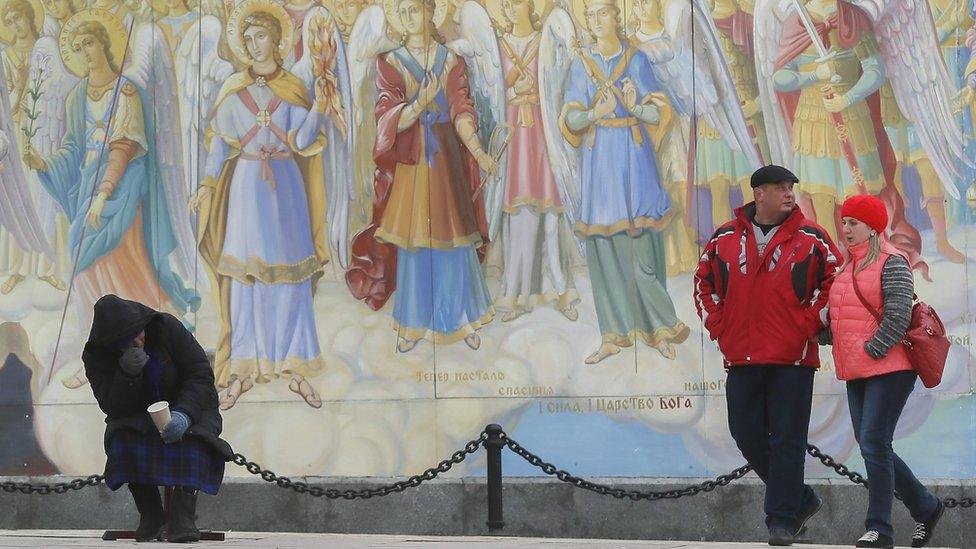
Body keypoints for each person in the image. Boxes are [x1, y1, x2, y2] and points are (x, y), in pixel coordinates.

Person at [192, 2, 331, 410]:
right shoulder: (234, 89)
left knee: (291, 277)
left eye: (260, 37)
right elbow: (219, 143)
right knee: (245, 278)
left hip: (285, 188)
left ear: (277, 40)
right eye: (247, 39)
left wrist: (321, 106)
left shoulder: (293, 88)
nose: (253, 46)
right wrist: (206, 183)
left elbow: (303, 142)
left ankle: (297, 368)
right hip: (247, 190)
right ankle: (240, 373)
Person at [693, 165, 841, 546]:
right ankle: (801, 499)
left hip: (793, 358)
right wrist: (719, 325)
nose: (789, 193)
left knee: (788, 439)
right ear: (759, 194)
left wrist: (808, 323)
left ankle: (782, 520)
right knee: (746, 434)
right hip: (741, 355)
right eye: (780, 187)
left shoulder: (813, 238)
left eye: (791, 187)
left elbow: (834, 282)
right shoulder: (724, 237)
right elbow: (703, 281)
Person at [823, 195, 943, 549]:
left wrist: (870, 350)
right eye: (844, 222)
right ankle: (925, 506)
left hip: (890, 368)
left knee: (874, 441)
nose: (846, 229)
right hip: (857, 370)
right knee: (871, 443)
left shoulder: (893, 262)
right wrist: (821, 332)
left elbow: (899, 314)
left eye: (853, 223)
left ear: (873, 228)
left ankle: (880, 529)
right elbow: (844, 320)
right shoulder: (845, 269)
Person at [84, 295, 233, 543]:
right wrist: (127, 375)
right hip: (138, 415)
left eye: (138, 333)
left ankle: (183, 516)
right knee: (122, 440)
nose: (137, 340)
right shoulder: (97, 357)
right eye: (127, 340)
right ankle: (151, 514)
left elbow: (200, 374)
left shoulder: (167, 328)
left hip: (193, 409)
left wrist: (183, 414)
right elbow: (111, 406)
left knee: (195, 442)